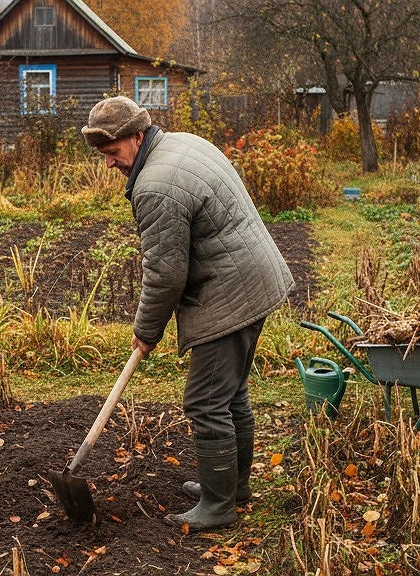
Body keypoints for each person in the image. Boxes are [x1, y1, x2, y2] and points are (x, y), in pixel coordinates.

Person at [81, 96, 295, 530]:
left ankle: (218, 506)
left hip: (232, 292)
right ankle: (231, 487)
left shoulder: (156, 185)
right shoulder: (183, 144)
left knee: (205, 400)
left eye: (112, 153)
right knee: (229, 394)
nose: (108, 164)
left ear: (136, 137)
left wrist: (146, 330)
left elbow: (165, 273)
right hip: (253, 279)